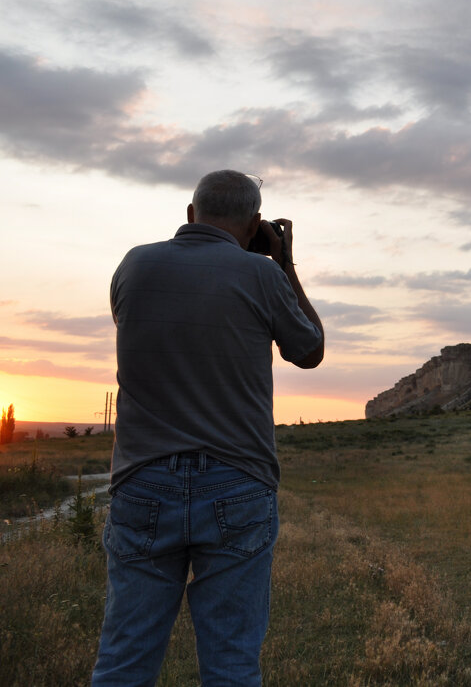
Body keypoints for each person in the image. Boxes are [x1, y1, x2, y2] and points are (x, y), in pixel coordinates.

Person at [92, 170, 324, 686]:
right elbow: (309, 350)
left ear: (190, 213)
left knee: (124, 659)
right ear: (256, 225)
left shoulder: (134, 265)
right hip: (237, 481)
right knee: (232, 663)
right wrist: (283, 263)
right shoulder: (262, 275)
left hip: (143, 478)